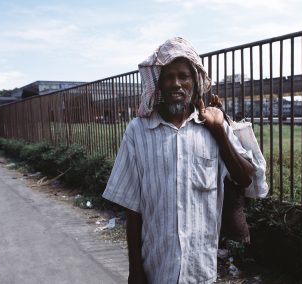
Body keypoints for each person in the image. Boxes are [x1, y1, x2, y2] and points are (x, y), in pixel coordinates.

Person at [102, 37, 255, 283]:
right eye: (168, 77)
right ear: (159, 85)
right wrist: (135, 270)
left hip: (200, 271)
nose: (176, 84)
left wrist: (218, 131)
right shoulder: (138, 132)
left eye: (184, 76)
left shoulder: (213, 127)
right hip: (156, 269)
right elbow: (132, 207)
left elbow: (245, 178)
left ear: (194, 83)